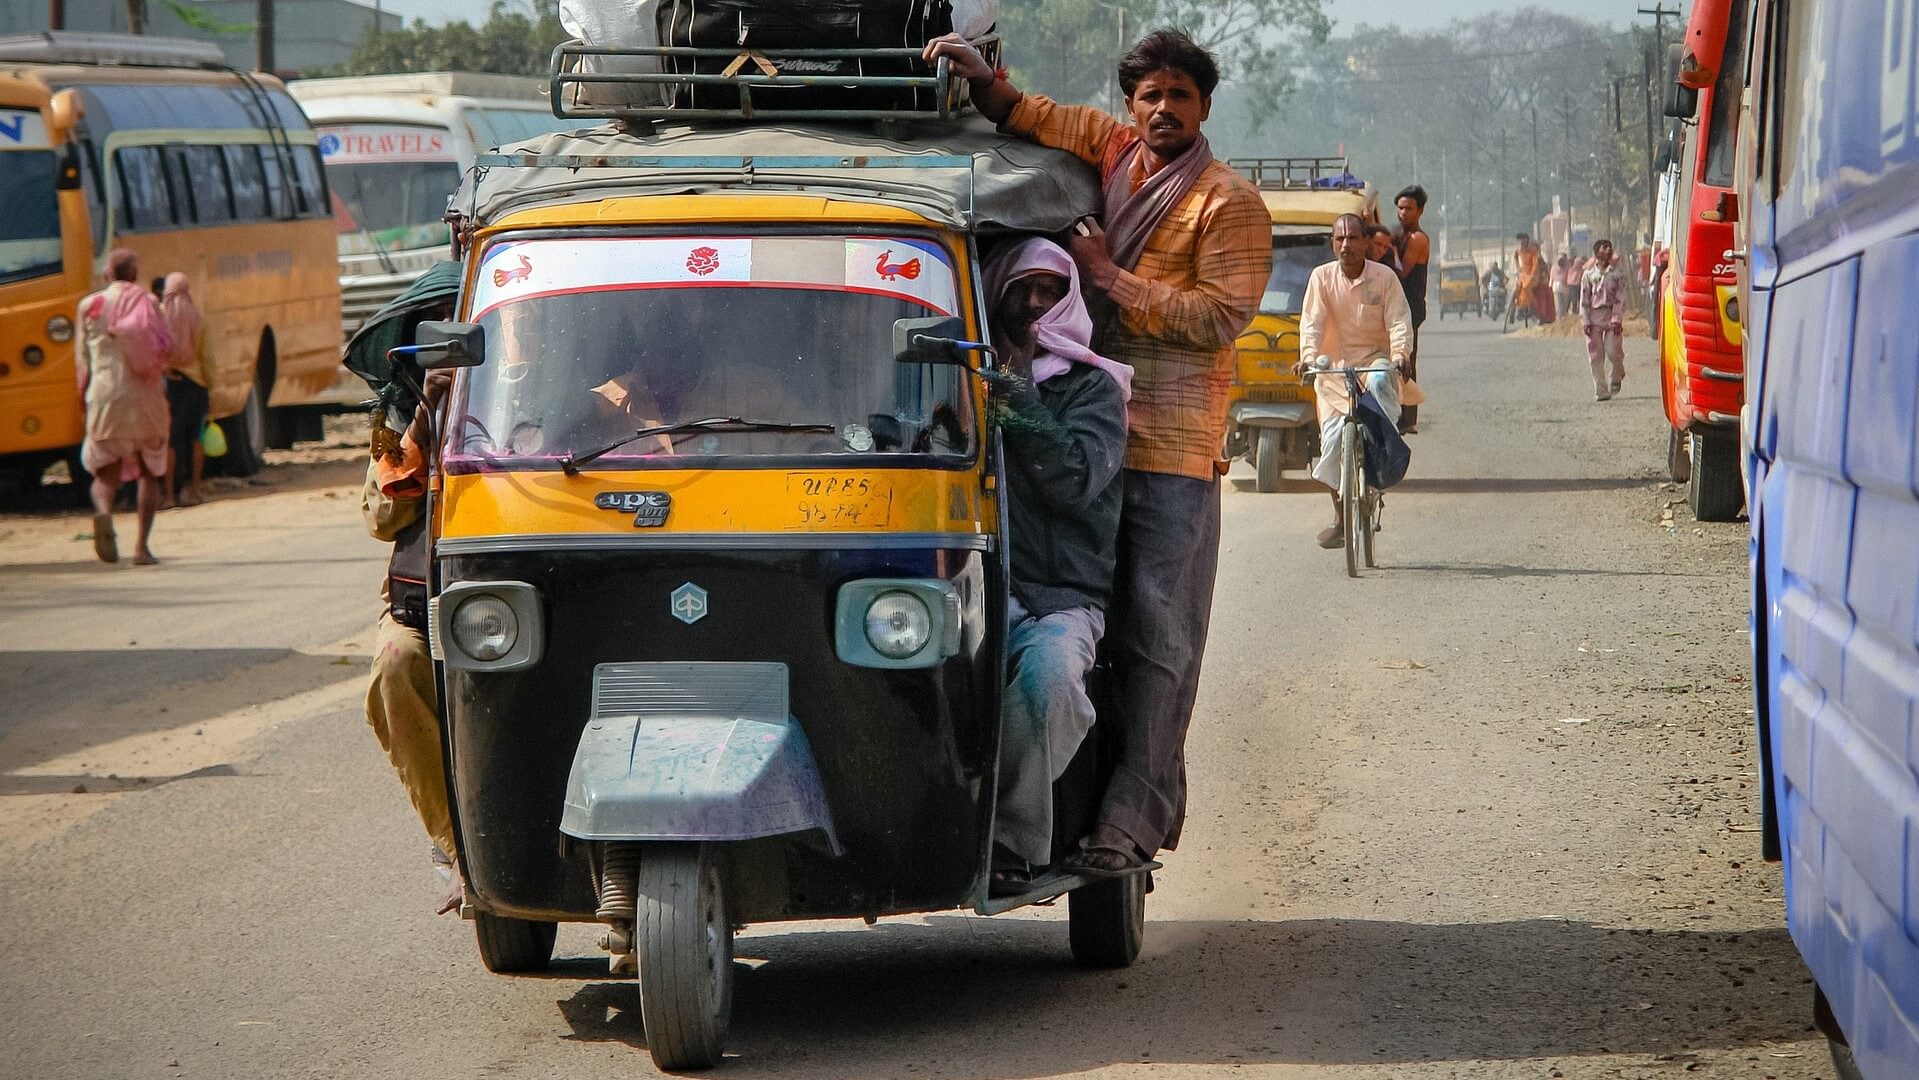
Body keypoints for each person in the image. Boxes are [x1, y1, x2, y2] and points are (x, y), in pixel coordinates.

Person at [923, 28, 1271, 876]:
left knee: (1155, 640)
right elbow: (1035, 115)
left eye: (1177, 97)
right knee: (1063, 624)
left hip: (1165, 446)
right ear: (1130, 106)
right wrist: (981, 78)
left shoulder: (1228, 203)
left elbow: (1218, 319)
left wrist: (1107, 278)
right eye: (1148, 96)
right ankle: (1043, 811)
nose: (1160, 110)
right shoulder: (1111, 150)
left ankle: (1129, 820)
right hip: (1074, 419)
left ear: (1204, 108)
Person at [981, 237, 1132, 893]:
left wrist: (1016, 396)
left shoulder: (1094, 389)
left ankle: (1005, 842)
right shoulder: (967, 376)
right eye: (1024, 290)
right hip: (974, 589)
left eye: (1051, 290)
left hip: (1059, 598)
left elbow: (1073, 479)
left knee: (1051, 686)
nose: (1037, 304)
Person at [365, 355, 463, 914]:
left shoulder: (580, 374)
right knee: (395, 664)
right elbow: (379, 516)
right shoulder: (397, 415)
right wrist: (425, 417)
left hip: (539, 596)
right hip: (425, 609)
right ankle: (456, 846)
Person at [1297, 213, 1417, 549]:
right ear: (1333, 243)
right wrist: (1307, 358)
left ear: (1366, 242)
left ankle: (1383, 444)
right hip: (1335, 370)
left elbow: (1398, 322)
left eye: (1353, 238)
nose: (1346, 245)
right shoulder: (1321, 278)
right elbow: (1312, 325)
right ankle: (1340, 516)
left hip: (1375, 363)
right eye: (1340, 239)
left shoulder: (1384, 278)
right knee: (1332, 441)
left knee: (1380, 381)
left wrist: (1400, 354)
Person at [76, 248, 171, 565]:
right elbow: (164, 347)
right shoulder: (149, 303)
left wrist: (83, 399)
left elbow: (82, 363)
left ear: (107, 274)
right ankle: (142, 549)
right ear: (135, 274)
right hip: (145, 397)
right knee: (149, 472)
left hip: (104, 395)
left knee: (104, 475)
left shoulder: (89, 306)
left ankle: (103, 513)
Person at [160, 272, 211, 508]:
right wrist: (210, 383)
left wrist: (164, 369)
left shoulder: (160, 317)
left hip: (170, 385)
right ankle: (195, 490)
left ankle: (169, 495)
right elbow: (208, 357)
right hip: (197, 384)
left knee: (171, 441)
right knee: (196, 438)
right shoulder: (200, 317)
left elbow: (153, 350)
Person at [1390, 185, 1430, 433]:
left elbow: (1402, 271)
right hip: (1398, 306)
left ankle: (1408, 419)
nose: (1403, 213)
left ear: (1420, 211)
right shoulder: (1400, 234)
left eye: (1409, 209)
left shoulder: (1417, 239)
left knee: (1405, 361)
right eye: (1400, 208)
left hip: (1411, 308)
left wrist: (1391, 249)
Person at [1581, 239, 1629, 401]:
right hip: (1593, 318)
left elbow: (1620, 298)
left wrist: (1617, 319)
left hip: (1611, 317)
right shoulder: (1588, 275)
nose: (1608, 250)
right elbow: (1584, 300)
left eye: (1610, 247)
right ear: (1596, 253)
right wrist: (1586, 321)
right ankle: (1601, 390)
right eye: (1604, 247)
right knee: (1595, 356)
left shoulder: (1617, 274)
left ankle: (1616, 376)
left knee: (1614, 351)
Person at [1513, 232, 1554, 324]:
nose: (1521, 242)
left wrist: (1532, 274)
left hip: (1533, 275)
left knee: (1526, 286)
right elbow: (1515, 257)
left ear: (1527, 240)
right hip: (1523, 274)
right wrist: (1517, 267)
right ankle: (1517, 309)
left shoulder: (1533, 251)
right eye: (1519, 240)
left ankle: (1530, 306)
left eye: (1523, 240)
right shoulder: (1518, 250)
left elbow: (1535, 264)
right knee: (1517, 288)